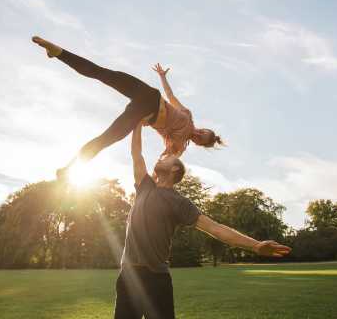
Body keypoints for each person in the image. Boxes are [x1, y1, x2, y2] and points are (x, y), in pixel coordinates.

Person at [114, 123, 291, 319]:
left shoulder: (180, 203)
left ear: (174, 169)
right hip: (128, 278)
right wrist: (137, 122)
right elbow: (136, 153)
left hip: (156, 280)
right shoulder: (144, 186)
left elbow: (215, 228)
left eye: (167, 157)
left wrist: (256, 246)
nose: (162, 156)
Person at [32, 36, 223, 173]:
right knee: (103, 74)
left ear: (198, 144)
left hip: (143, 114)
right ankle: (59, 52)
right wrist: (163, 77)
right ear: (204, 128)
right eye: (202, 133)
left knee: (106, 139)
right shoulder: (188, 115)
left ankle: (69, 169)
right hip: (149, 94)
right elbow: (170, 95)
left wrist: (156, 177)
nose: (198, 135)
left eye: (200, 139)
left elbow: (165, 162)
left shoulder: (179, 146)